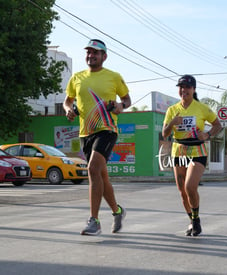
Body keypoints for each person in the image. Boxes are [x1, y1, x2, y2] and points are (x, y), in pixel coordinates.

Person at [63, 39, 131, 236]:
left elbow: (127, 99)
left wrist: (121, 106)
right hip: (86, 132)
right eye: (89, 52)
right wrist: (69, 110)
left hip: (107, 129)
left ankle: (94, 221)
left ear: (104, 56)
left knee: (92, 169)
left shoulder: (114, 77)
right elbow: (67, 101)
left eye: (96, 53)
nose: (91, 56)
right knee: (101, 177)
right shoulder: (77, 78)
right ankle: (117, 211)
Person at [162, 74, 222, 237]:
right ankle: (193, 220)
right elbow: (164, 133)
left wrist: (208, 135)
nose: (184, 90)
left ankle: (195, 220)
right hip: (179, 151)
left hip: (197, 151)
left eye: (187, 87)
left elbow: (218, 125)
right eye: (181, 87)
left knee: (190, 186)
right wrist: (173, 123)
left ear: (193, 89)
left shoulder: (201, 108)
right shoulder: (172, 110)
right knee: (182, 191)